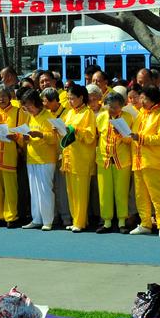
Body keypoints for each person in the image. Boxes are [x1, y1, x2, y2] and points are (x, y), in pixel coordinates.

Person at [132, 87, 160, 238]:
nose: (142, 101)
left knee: (157, 195)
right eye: (141, 98)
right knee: (140, 195)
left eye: (145, 99)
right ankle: (145, 223)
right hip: (138, 159)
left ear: (154, 100)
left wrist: (140, 138)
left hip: (153, 161)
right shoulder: (140, 115)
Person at [0, 83, 25, 228]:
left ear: (9, 97)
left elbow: (22, 132)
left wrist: (17, 137)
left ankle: (11, 216)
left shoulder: (18, 112)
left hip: (9, 153)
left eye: (3, 96)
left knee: (10, 188)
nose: (1, 99)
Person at [60, 84, 97, 232]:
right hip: (69, 156)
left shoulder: (88, 113)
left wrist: (76, 130)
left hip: (82, 157)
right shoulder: (69, 113)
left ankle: (80, 222)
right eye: (68, 98)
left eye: (72, 98)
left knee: (81, 192)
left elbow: (90, 136)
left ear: (81, 98)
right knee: (71, 191)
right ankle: (77, 219)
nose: (70, 101)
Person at [20, 89, 59, 230]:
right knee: (34, 190)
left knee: (45, 189)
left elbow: (54, 138)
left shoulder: (48, 116)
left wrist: (41, 135)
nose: (28, 108)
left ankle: (48, 220)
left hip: (46, 159)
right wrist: (26, 137)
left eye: (30, 105)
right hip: (32, 157)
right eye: (26, 106)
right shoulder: (30, 117)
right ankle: (36, 218)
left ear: (37, 103)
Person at [96, 90, 134, 234]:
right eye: (109, 106)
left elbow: (131, 139)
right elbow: (99, 135)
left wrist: (122, 135)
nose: (111, 109)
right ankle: (106, 221)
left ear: (122, 106)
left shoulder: (128, 118)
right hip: (104, 159)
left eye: (115, 106)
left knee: (121, 191)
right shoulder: (100, 117)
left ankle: (122, 221)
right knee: (105, 191)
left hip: (122, 159)